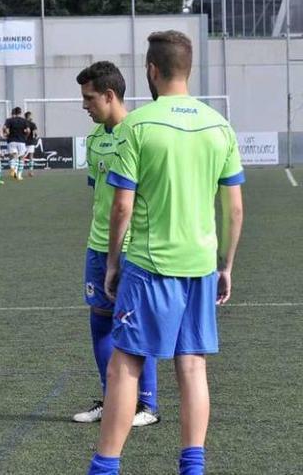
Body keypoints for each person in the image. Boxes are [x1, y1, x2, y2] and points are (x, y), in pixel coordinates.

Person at [87, 31, 245, 475]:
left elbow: (122, 205)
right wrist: (226, 266)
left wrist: (113, 264)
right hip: (200, 265)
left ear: (152, 71)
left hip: (150, 265)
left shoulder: (137, 125)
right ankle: (192, 468)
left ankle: (105, 467)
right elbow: (234, 207)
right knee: (192, 366)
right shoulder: (220, 126)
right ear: (187, 69)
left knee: (126, 364)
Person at [74, 61, 159, 429]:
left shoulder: (139, 133)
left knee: (135, 326)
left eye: (89, 98)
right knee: (101, 323)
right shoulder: (93, 140)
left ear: (110, 95)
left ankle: (146, 405)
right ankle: (113, 400)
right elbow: (101, 198)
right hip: (98, 246)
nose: (84, 106)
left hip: (133, 247)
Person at [2, 107, 29, 181]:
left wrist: (6, 134)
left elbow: (4, 128)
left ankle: (12, 169)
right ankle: (19, 175)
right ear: (20, 112)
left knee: (13, 157)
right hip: (21, 141)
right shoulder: (24, 121)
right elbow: (28, 130)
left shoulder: (9, 120)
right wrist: (25, 136)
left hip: (11, 141)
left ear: (14, 113)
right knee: (21, 158)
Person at [22, 111, 39, 178]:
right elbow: (35, 134)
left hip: (23, 141)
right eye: (31, 116)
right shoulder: (32, 124)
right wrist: (35, 136)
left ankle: (19, 171)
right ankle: (31, 171)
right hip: (31, 142)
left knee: (22, 156)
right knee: (31, 156)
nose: (32, 117)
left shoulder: (23, 124)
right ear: (28, 116)